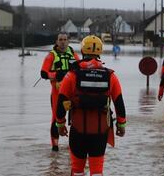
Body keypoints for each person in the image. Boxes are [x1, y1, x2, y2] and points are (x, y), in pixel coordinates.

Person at [56, 35, 126, 176]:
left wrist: (60, 124)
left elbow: (61, 102)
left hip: (78, 130)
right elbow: (119, 103)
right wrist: (121, 125)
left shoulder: (72, 75)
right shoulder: (111, 76)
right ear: (100, 52)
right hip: (100, 132)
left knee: (77, 170)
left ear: (82, 50)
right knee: (96, 171)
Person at [40, 33, 80, 151]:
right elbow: (43, 73)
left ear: (68, 42)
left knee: (75, 118)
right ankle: (55, 147)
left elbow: (81, 69)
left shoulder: (73, 54)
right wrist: (56, 74)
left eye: (65, 40)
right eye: (60, 40)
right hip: (57, 92)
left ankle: (74, 144)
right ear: (57, 42)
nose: (63, 42)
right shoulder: (51, 56)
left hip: (72, 93)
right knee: (55, 118)